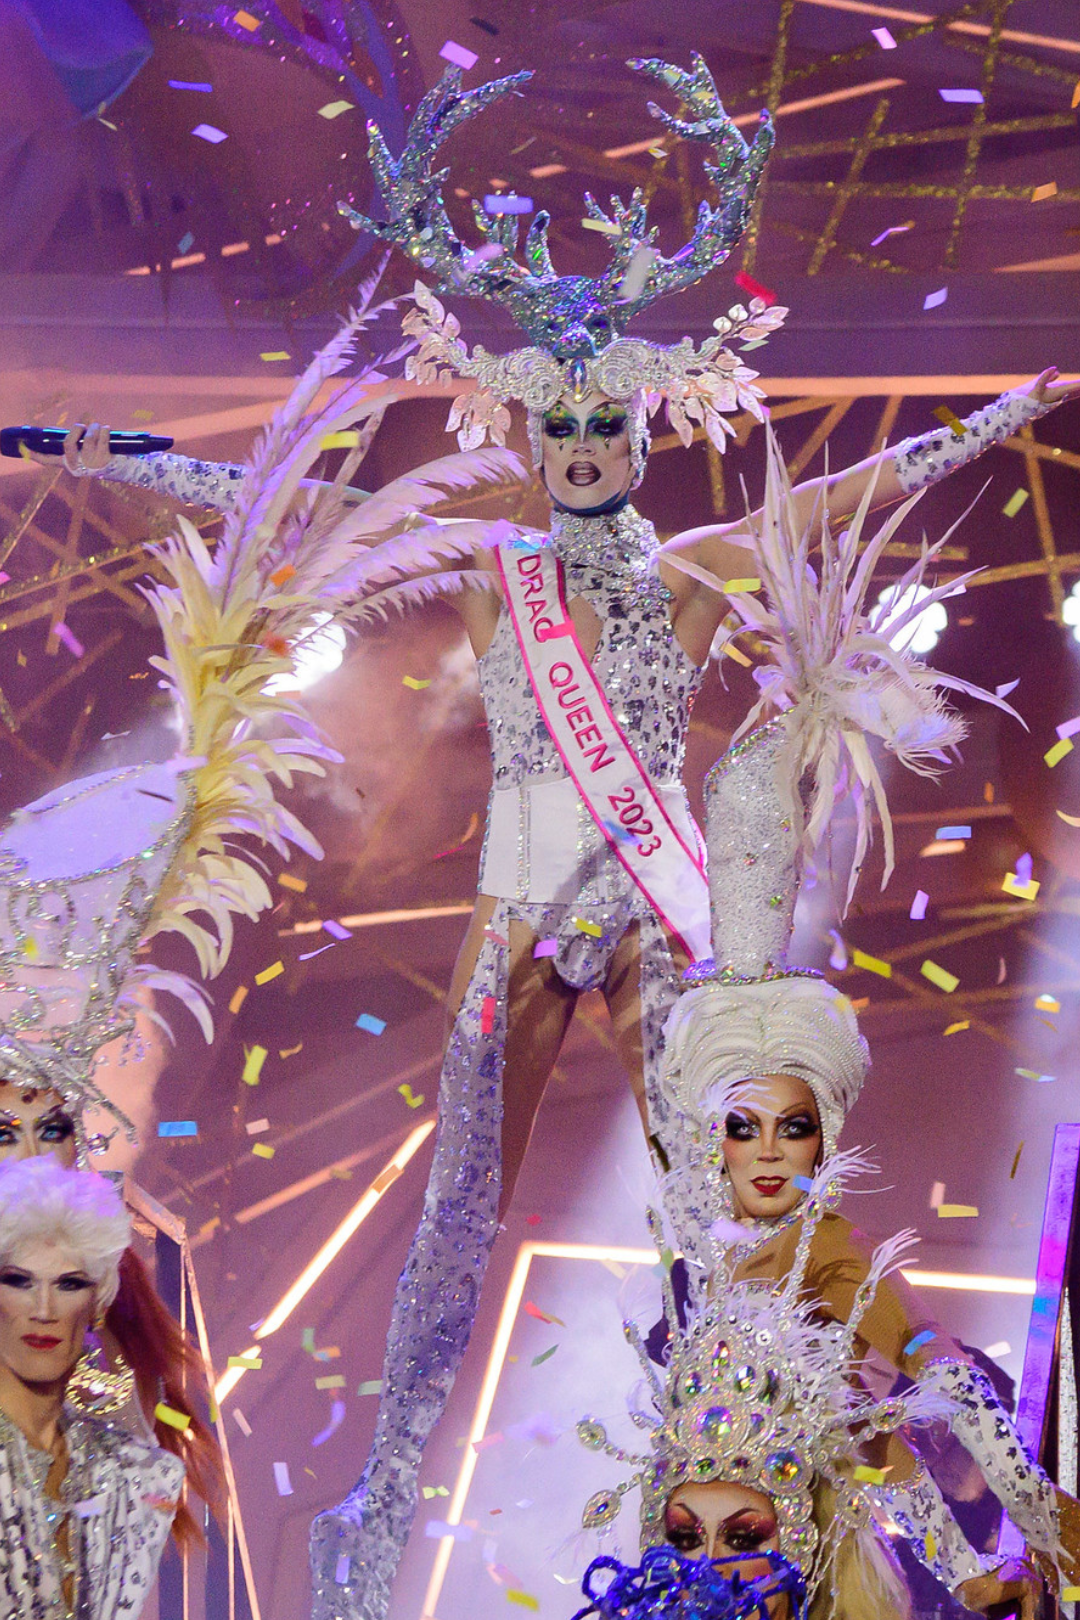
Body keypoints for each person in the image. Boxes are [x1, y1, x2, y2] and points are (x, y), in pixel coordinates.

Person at [650, 428, 1076, 1616]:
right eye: (750, 1130)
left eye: (793, 1129)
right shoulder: (683, 1266)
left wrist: (1004, 1527)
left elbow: (939, 1417)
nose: (772, 1152)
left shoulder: (844, 1269)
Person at [0, 1078, 221, 1548]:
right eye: (5, 1135)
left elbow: (141, 1458)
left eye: (53, 1131)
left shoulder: (107, 1278)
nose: (34, 1155)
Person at [0, 1154, 184, 1616]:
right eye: (19, 1281)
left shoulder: (140, 1473)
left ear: (96, 1304)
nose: (43, 1309)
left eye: (68, 1284)